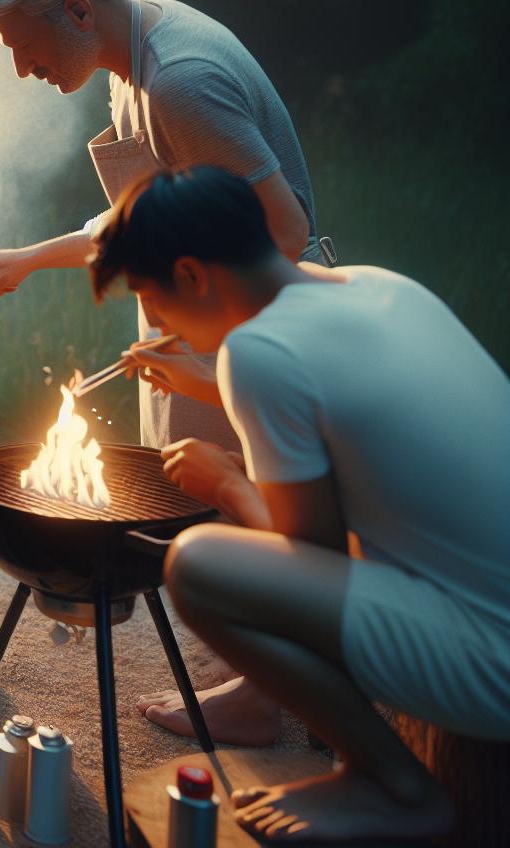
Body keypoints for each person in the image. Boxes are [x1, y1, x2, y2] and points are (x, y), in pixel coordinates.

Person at [0, 0, 324, 741]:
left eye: (22, 44)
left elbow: (285, 230)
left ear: (78, 10)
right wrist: (31, 259)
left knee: (237, 503)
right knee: (213, 502)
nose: (21, 68)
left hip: (247, 319)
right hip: (205, 309)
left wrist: (200, 329)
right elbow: (143, 217)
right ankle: (255, 671)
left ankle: (264, 699)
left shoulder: (178, 82)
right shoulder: (136, 53)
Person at [86, 165, 508, 843]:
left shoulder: (256, 353)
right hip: (487, 607)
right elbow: (338, 420)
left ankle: (393, 786)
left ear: (192, 274)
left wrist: (227, 485)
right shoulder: (380, 286)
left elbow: (310, 558)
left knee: (198, 567)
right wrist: (206, 390)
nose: (155, 321)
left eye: (150, 297)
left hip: (493, 663)